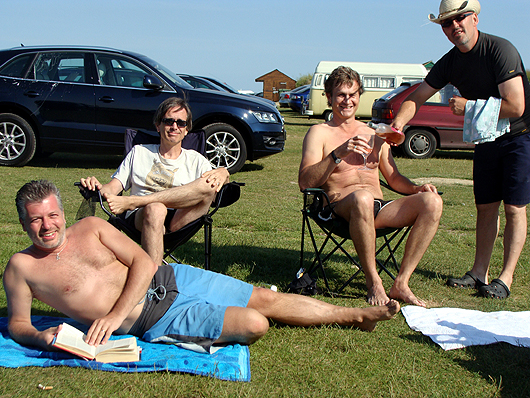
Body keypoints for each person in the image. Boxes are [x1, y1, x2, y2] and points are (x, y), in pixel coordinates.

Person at [4, 180, 400, 353]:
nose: (48, 226)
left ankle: (356, 315)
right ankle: (349, 316)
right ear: (24, 223)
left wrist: (114, 314)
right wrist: (41, 338)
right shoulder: (22, 268)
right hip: (155, 319)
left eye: (53, 215)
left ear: (60, 212)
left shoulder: (90, 228)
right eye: (36, 220)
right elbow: (19, 324)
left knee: (264, 297)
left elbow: (144, 260)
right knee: (255, 323)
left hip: (170, 277)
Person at [391, 0, 530, 299]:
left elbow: (516, 105)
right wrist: (398, 126)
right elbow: (417, 96)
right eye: (446, 23)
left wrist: (469, 107)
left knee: (514, 208)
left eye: (460, 18)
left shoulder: (499, 50)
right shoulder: (450, 62)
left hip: (520, 137)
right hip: (486, 139)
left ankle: (505, 279)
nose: (454, 26)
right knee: (485, 207)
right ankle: (480, 272)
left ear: (475, 18)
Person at [298, 66, 443, 307]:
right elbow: (305, 181)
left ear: (359, 95)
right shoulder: (319, 133)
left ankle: (401, 283)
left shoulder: (375, 133)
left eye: (353, 94)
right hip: (339, 210)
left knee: (432, 202)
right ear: (329, 97)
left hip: (378, 209)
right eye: (341, 95)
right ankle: (373, 281)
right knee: (362, 198)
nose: (348, 100)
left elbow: (394, 178)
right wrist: (338, 154)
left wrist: (418, 189)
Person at [80, 97, 230, 266]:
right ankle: (156, 279)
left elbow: (215, 184)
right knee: (156, 208)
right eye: (169, 121)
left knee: (209, 185)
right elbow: (113, 188)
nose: (174, 127)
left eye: (181, 123)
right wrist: (96, 186)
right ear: (158, 125)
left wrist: (224, 172)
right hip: (142, 215)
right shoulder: (139, 152)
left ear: (187, 129)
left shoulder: (196, 160)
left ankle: (135, 201)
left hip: (180, 220)